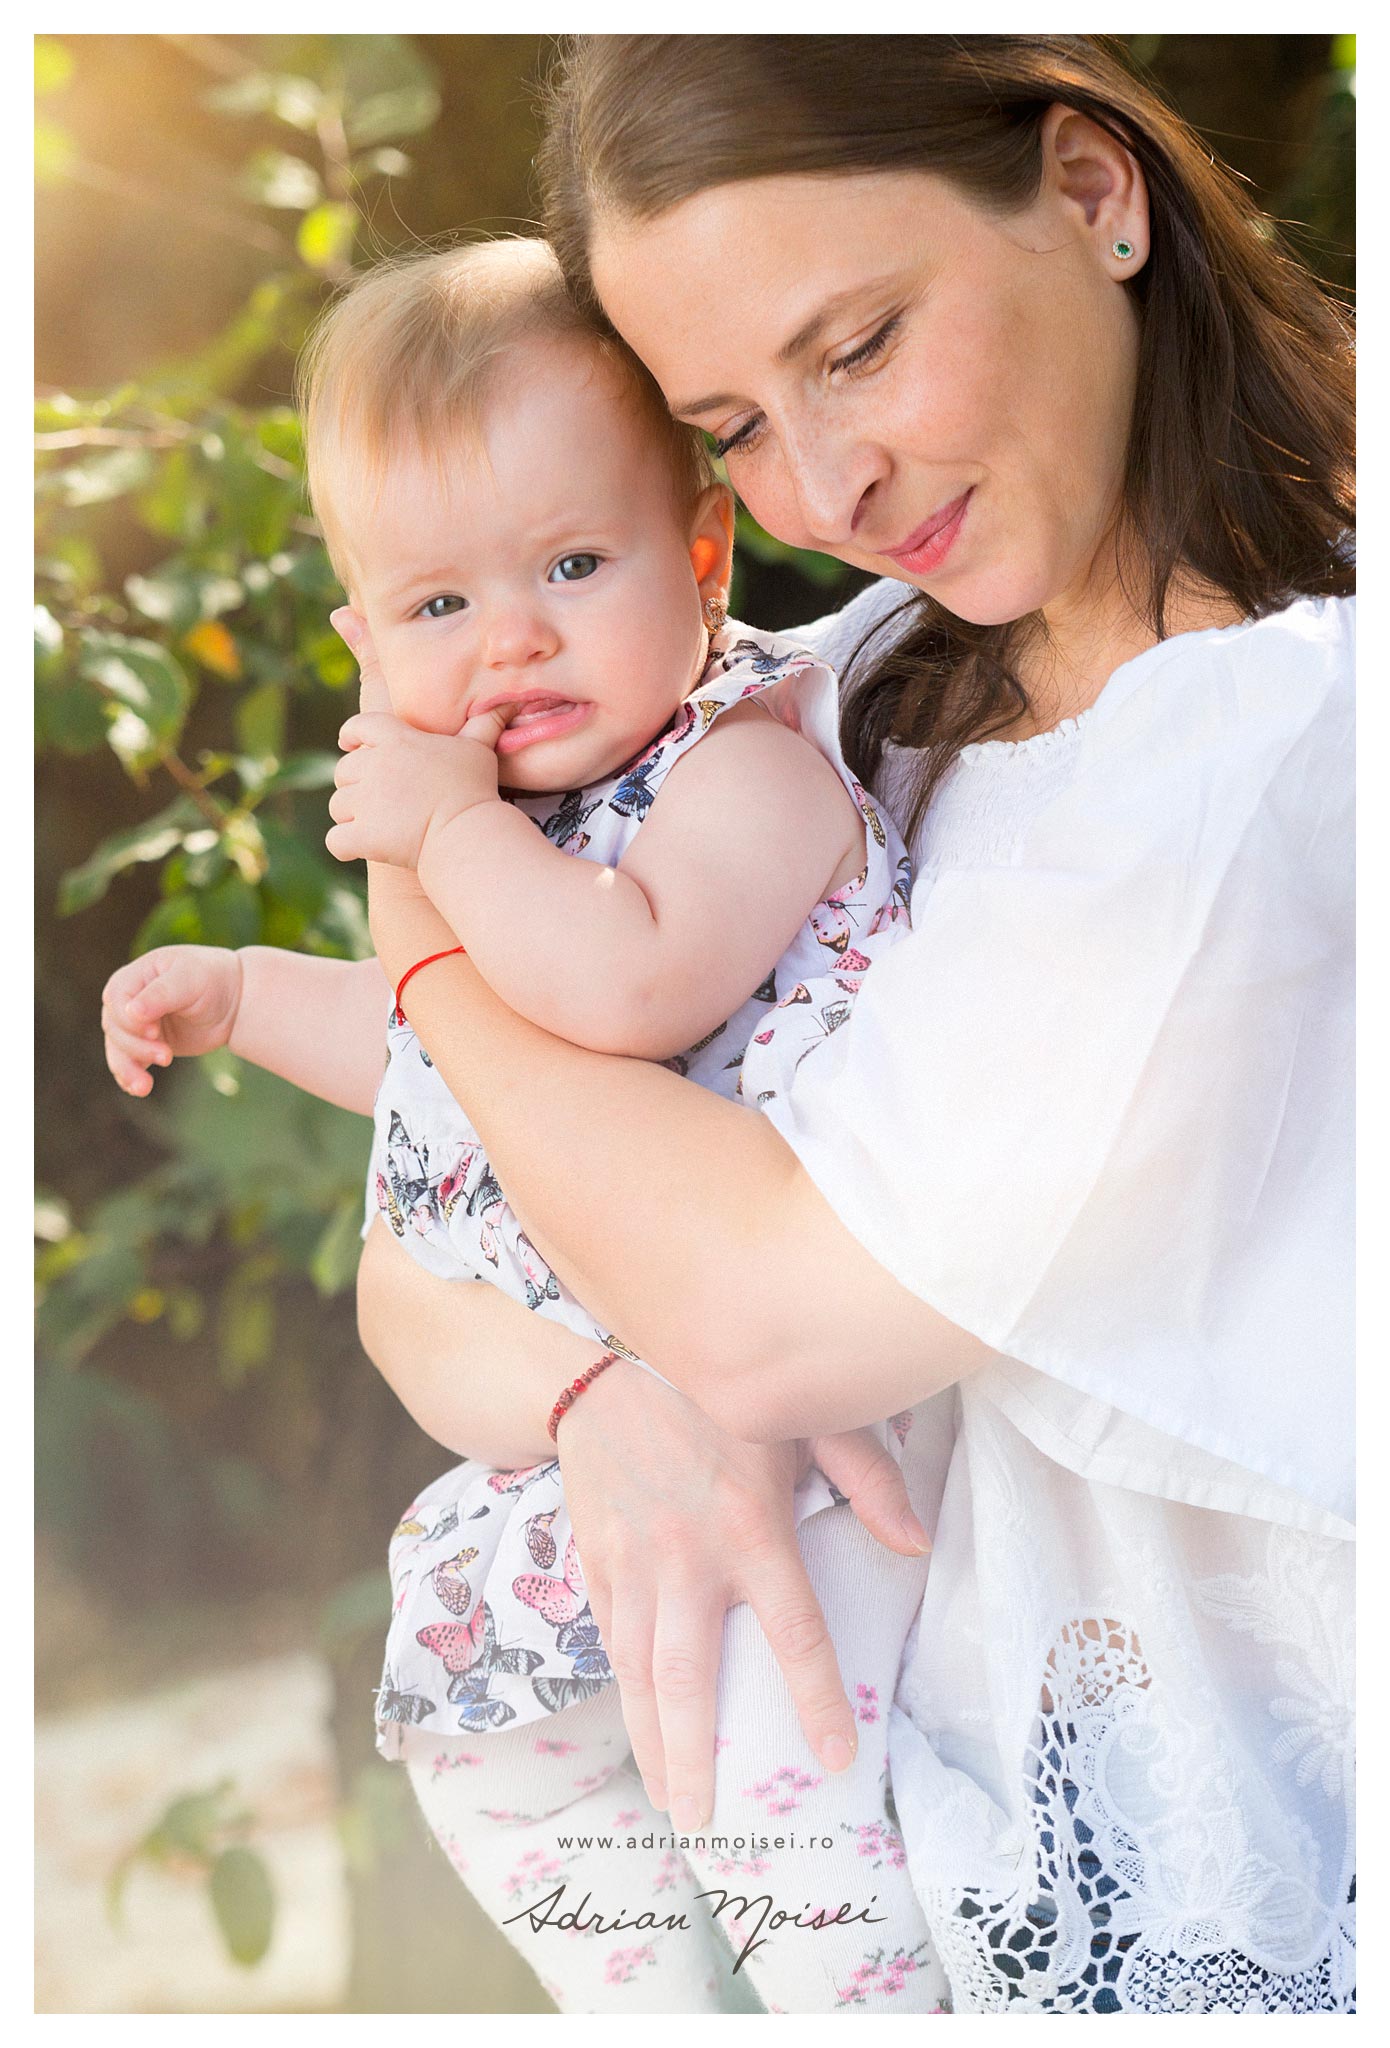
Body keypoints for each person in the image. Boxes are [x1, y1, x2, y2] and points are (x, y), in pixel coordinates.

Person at [349, 34, 1355, 2016]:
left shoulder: (1256, 751)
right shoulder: (873, 669)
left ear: (1091, 189)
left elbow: (756, 1306)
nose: (821, 487)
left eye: (859, 345)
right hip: (922, 1842)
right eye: (726, 420)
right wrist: (593, 1398)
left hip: (1213, 1906)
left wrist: (417, 881)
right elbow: (411, 1242)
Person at [100, 234, 950, 2013]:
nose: (513, 641)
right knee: (499, 1774)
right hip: (570, 1456)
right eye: (435, 608)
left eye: (573, 563)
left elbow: (619, 991)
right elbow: (446, 1062)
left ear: (701, 557)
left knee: (787, 1826)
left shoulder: (743, 770)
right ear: (360, 640)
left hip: (787, 1452)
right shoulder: (502, 838)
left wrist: (443, 843)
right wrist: (256, 996)